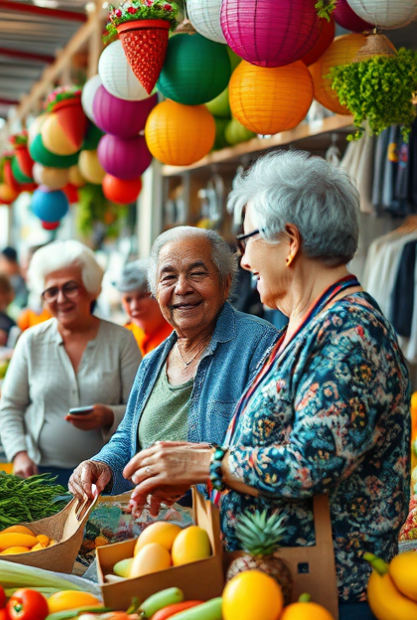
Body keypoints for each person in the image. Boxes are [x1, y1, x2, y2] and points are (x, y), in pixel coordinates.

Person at [117, 152, 410, 619]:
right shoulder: (305, 324)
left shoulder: (348, 330)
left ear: (289, 242)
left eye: (248, 239)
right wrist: (202, 478)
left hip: (328, 595)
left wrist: (205, 463)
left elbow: (311, 463)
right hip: (273, 585)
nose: (243, 257)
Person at [69, 227, 279, 499]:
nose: (182, 288)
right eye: (168, 277)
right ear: (156, 291)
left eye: (197, 274)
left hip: (220, 531)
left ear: (225, 283)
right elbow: (128, 438)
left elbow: (269, 453)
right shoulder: (152, 362)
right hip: (153, 535)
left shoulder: (260, 344)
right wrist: (102, 464)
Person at [0, 241, 142, 488]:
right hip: (40, 477)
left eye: (70, 288)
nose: (60, 299)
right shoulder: (31, 341)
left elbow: (139, 411)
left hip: (106, 476)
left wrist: (108, 415)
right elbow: (10, 408)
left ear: (91, 289)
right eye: (51, 291)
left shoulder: (121, 340)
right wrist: (19, 453)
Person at [116, 259, 174, 355]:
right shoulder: (121, 337)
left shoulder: (179, 335)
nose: (134, 306)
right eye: (128, 300)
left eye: (142, 296)